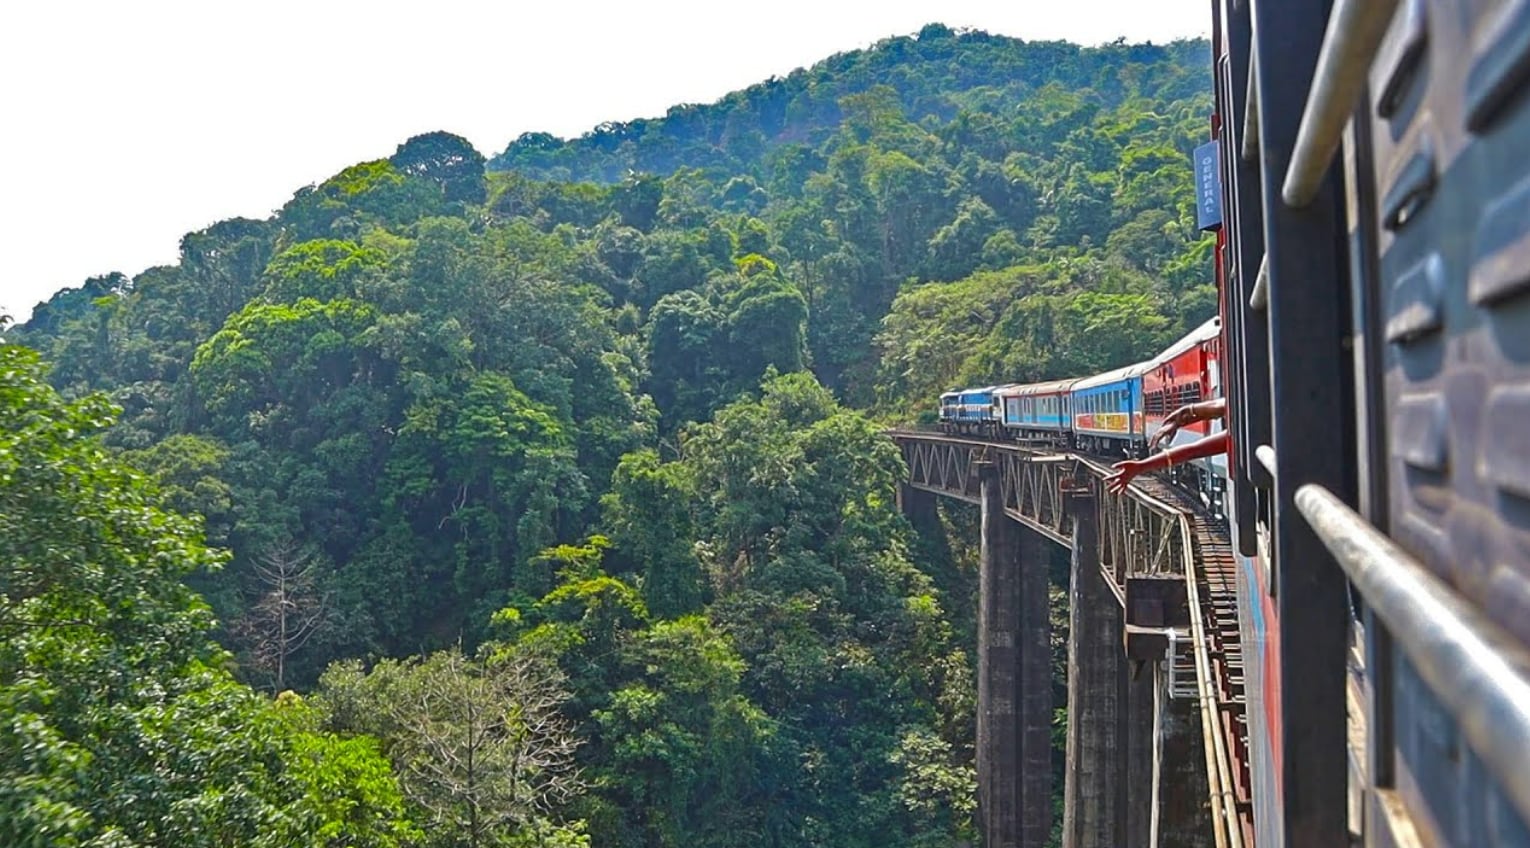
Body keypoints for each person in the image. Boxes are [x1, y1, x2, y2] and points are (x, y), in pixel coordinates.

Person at [1105, 398, 1228, 494]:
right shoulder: (1241, 429)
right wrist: (1187, 412)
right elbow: (1222, 406)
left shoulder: (1235, 434)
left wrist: (1141, 466)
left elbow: (1195, 450)